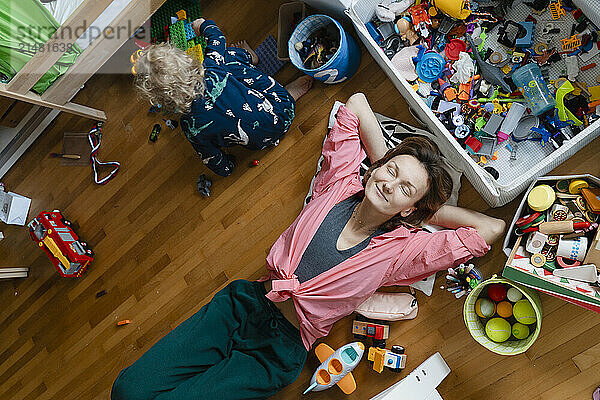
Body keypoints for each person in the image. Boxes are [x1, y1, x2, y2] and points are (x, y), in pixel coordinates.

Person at [111, 93, 506, 399]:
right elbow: (356, 105)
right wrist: (387, 168)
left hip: (277, 350)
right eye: (391, 171)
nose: (388, 183)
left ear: (411, 209)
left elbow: (489, 227)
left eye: (404, 188)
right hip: (243, 304)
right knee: (127, 390)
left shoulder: (402, 252)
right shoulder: (337, 182)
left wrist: (421, 215)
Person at [134, 18, 313, 177]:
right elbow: (218, 37)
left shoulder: (190, 126)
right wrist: (202, 25)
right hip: (282, 109)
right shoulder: (212, 65)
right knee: (228, 58)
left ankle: (287, 94)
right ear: (185, 61)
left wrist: (228, 166)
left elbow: (215, 161)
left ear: (162, 100)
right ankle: (258, 64)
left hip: (262, 142)